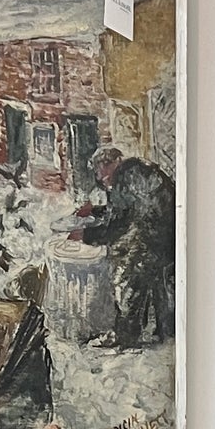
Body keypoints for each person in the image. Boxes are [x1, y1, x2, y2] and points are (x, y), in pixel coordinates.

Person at [72, 145, 175, 349]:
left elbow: (119, 223)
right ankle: (165, 331)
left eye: (103, 176)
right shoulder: (137, 171)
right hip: (169, 237)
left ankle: (125, 337)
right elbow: (125, 210)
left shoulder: (124, 177)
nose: (103, 181)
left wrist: (85, 235)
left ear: (111, 164)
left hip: (154, 240)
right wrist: (95, 210)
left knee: (125, 277)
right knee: (151, 278)